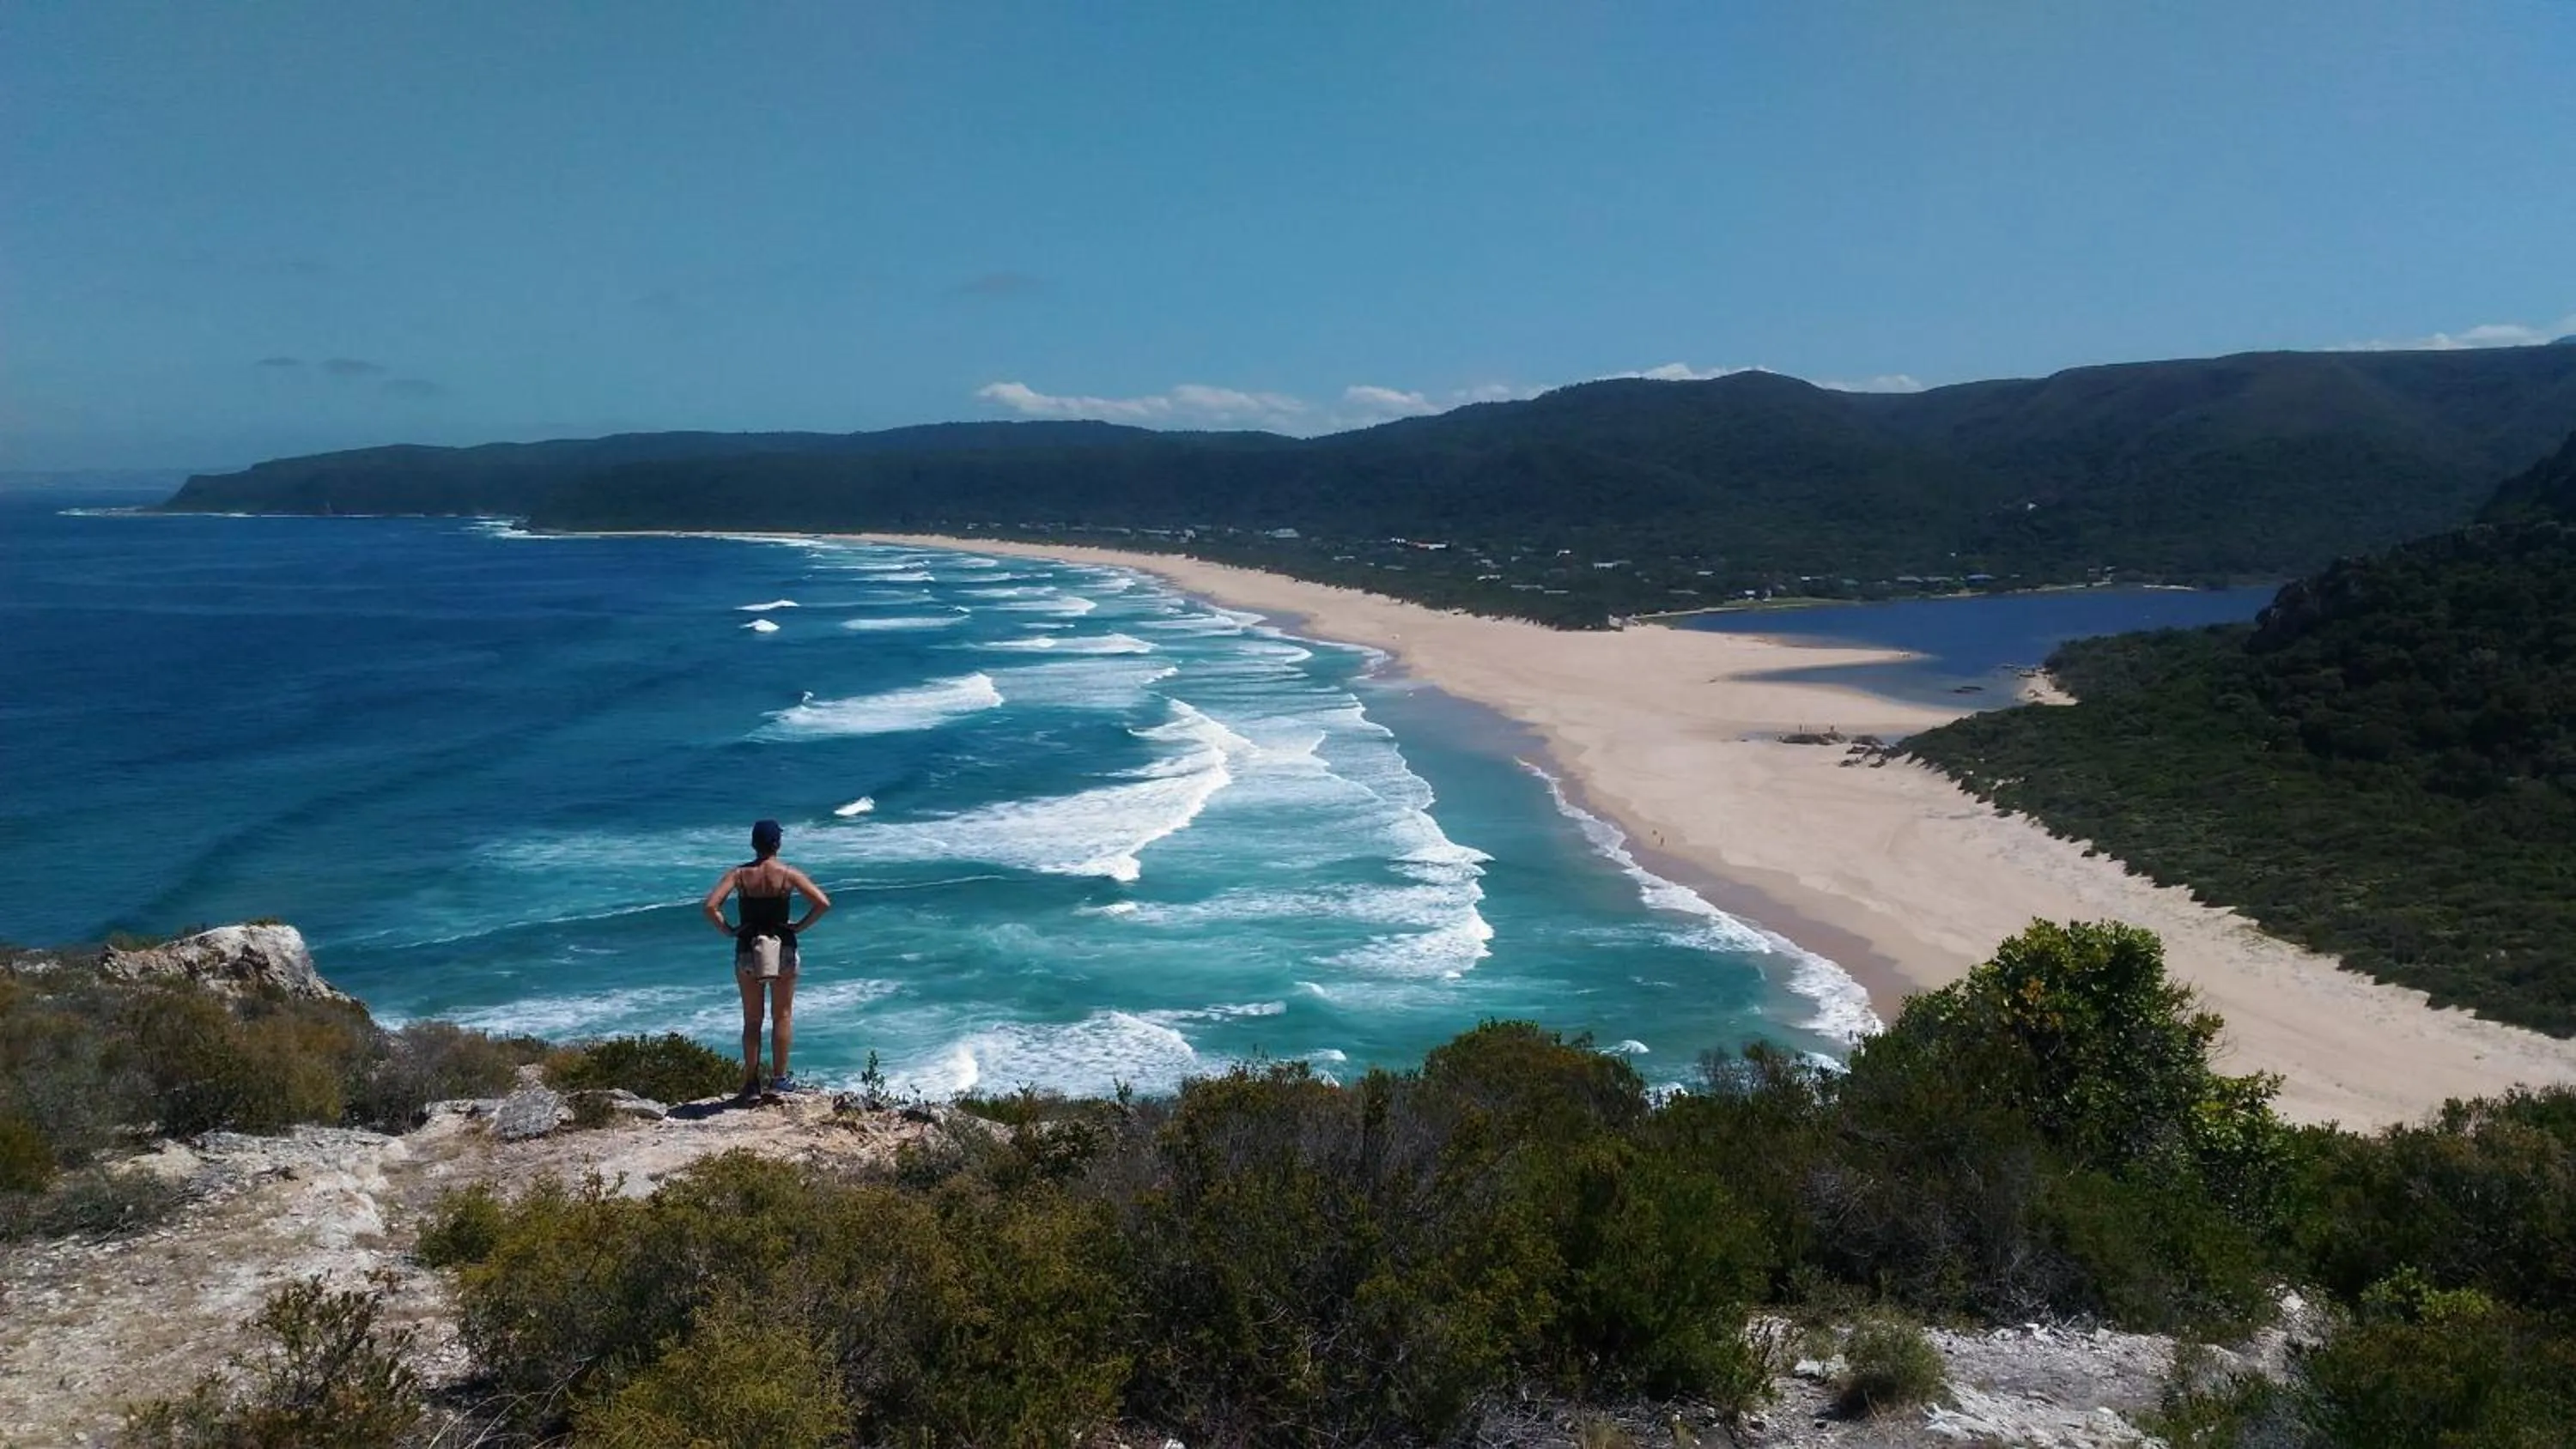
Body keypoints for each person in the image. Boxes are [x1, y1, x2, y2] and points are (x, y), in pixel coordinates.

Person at [702, 818, 831, 1099]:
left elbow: (711, 906)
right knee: (782, 1015)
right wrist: (798, 925)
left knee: (752, 1019)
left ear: (753, 844)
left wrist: (729, 930)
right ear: (777, 844)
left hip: (748, 949)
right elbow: (822, 903)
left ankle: (751, 1084)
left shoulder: (738, 876)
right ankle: (779, 1079)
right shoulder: (788, 874)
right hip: (782, 947)